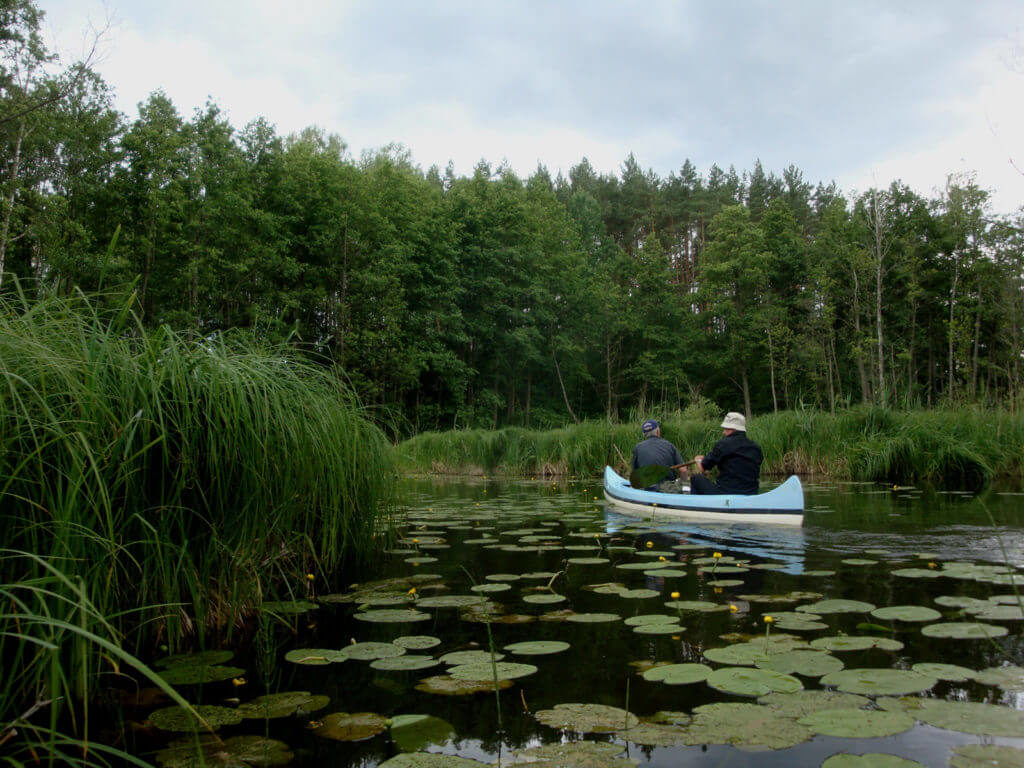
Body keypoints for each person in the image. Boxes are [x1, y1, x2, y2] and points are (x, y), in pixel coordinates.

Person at [689, 412, 763, 495]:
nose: (723, 432)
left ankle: (697, 505)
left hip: (726, 493)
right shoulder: (756, 448)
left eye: (725, 429)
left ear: (732, 429)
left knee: (696, 478)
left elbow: (702, 468)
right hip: (751, 493)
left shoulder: (723, 444)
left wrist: (698, 460)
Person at [631, 419, 685, 492]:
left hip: (647, 488)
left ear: (644, 434)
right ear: (658, 431)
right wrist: (683, 485)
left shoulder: (637, 448)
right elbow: (683, 470)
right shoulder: (669, 445)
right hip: (668, 488)